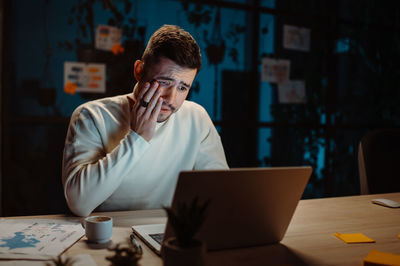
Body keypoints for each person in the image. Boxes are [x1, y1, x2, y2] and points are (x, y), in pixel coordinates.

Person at [62, 25, 229, 217]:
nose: (171, 98)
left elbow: (220, 194)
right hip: (109, 236)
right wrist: (137, 138)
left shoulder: (196, 118)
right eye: (164, 82)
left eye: (183, 88)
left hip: (168, 233)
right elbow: (79, 204)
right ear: (139, 70)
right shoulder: (91, 115)